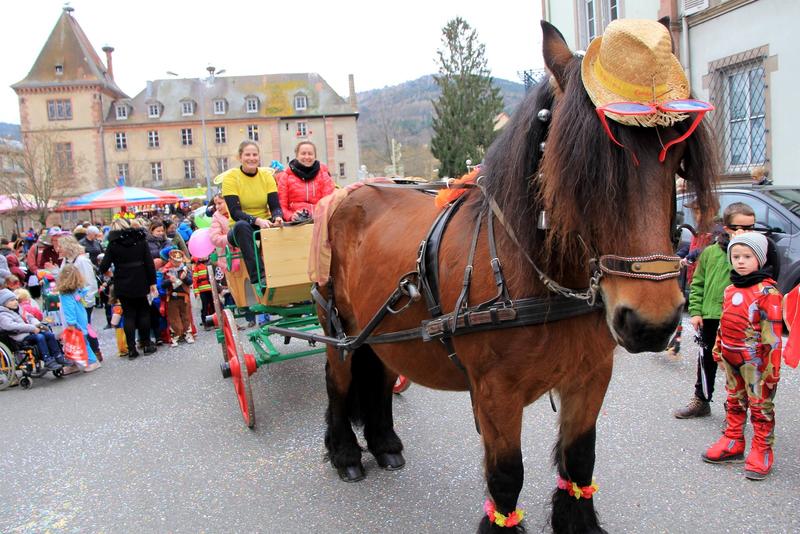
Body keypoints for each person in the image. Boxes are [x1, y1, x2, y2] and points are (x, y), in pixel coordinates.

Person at [674, 202, 777, 418]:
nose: (744, 232)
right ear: (726, 227)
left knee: (741, 365)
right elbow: (698, 283)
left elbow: (764, 282)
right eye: (738, 227)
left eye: (750, 228)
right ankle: (701, 399)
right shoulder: (710, 252)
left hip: (742, 320)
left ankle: (737, 409)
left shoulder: (756, 253)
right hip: (711, 314)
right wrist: (695, 312)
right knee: (707, 358)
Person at [701, 233, 783, 480]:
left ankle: (762, 449)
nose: (740, 261)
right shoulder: (729, 289)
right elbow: (724, 321)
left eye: (747, 256)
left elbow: (773, 336)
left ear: (761, 258)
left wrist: (772, 368)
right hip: (731, 357)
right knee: (734, 402)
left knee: (760, 407)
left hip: (756, 362)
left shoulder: (768, 292)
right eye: (736, 257)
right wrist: (718, 346)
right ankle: (733, 439)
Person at [221, 140, 284, 290]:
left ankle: (285, 276)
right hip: (239, 228)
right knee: (243, 227)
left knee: (284, 227)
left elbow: (275, 206)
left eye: (255, 155)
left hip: (264, 222)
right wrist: (257, 221)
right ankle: (259, 278)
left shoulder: (267, 176)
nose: (251, 158)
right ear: (240, 157)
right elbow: (235, 213)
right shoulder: (231, 178)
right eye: (247, 155)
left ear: (259, 157)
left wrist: (278, 217)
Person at [98, 217, 158, 359]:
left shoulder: (113, 244)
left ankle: (131, 349)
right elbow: (149, 262)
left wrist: (112, 274)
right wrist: (152, 282)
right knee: (144, 312)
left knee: (129, 314)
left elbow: (103, 266)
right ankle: (146, 343)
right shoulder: (140, 239)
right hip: (141, 278)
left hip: (122, 280)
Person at [209, 193, 256, 327]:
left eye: (220, 203)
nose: (217, 207)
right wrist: (232, 239)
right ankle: (249, 316)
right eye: (215, 204)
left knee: (253, 282)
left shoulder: (239, 212)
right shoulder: (216, 218)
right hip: (232, 257)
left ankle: (258, 311)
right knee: (240, 287)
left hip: (249, 252)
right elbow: (215, 238)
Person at [0, 288, 64, 371]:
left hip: (29, 333)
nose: (15, 302)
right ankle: (47, 360)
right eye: (11, 300)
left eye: (15, 299)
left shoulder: (19, 309)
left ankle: (58, 356)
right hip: (18, 337)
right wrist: (32, 328)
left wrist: (37, 324)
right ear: (4, 303)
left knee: (49, 335)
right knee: (40, 337)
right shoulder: (3, 315)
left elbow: (30, 317)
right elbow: (11, 326)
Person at [277, 140, 336, 222]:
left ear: (315, 156)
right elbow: (281, 205)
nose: (307, 157)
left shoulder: (324, 174)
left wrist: (319, 216)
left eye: (310, 154)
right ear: (297, 156)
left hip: (320, 221)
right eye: (303, 153)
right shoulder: (285, 177)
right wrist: (291, 216)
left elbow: (328, 201)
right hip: (294, 223)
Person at [57, 264, 100, 372]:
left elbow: (69, 309)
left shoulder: (65, 294)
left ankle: (92, 361)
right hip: (82, 317)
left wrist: (71, 323)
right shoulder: (78, 290)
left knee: (78, 341)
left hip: (73, 322)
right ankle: (73, 363)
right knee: (76, 341)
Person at [160, 249, 193, 346]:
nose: (177, 263)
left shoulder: (185, 270)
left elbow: (190, 282)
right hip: (172, 297)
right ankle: (176, 335)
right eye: (174, 261)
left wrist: (185, 278)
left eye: (178, 261)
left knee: (186, 315)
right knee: (173, 317)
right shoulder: (167, 271)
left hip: (184, 297)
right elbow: (162, 285)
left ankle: (187, 333)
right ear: (170, 260)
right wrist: (170, 281)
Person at [191, 256, 214, 329]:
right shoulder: (197, 267)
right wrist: (196, 293)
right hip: (202, 291)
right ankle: (205, 323)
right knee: (204, 307)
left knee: (213, 306)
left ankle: (214, 321)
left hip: (211, 289)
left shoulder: (210, 264)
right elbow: (194, 281)